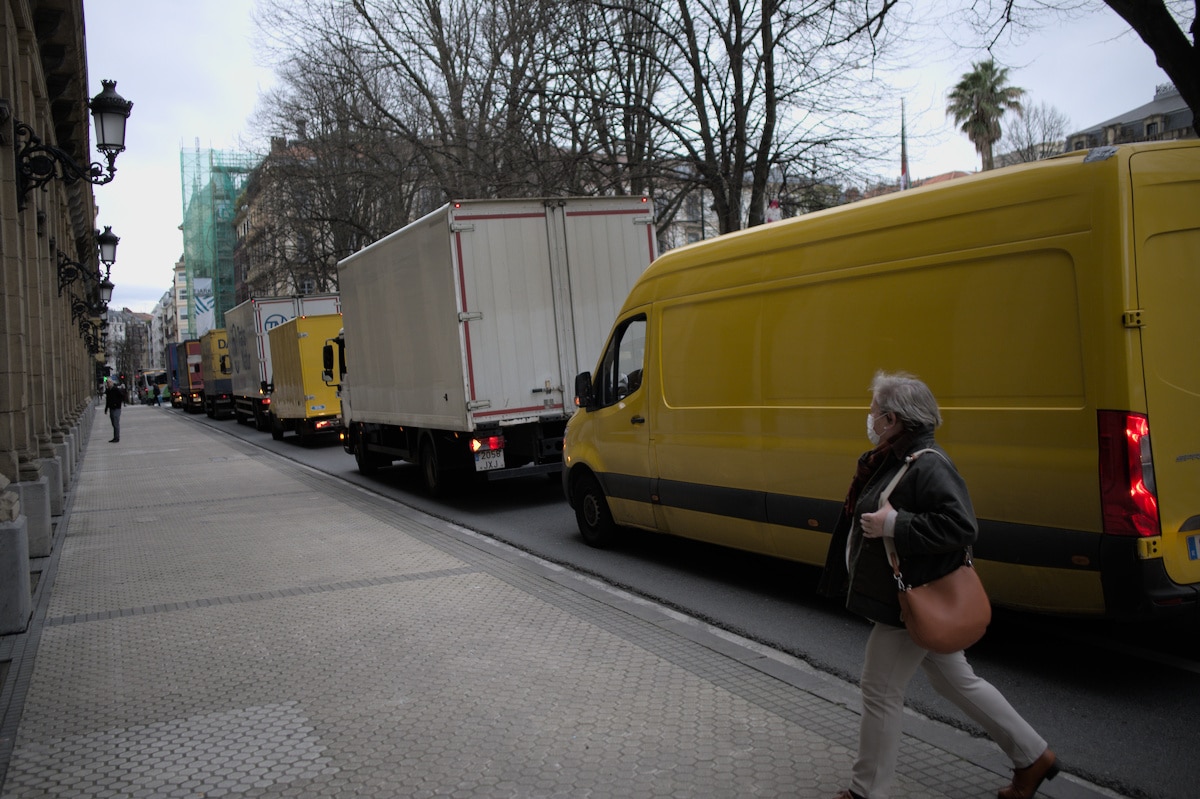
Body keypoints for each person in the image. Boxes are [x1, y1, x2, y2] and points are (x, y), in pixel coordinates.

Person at [820, 371, 1058, 799]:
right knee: (954, 680)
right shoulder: (892, 457)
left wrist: (895, 523)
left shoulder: (927, 462)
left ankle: (866, 791)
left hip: (912, 598)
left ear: (892, 420)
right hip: (910, 595)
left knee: (879, 691)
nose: (869, 417)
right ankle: (1032, 756)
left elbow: (961, 526)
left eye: (875, 411)